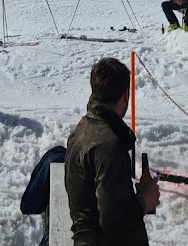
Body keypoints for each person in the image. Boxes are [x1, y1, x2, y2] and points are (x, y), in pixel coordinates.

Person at [65, 57, 159, 246]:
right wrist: (144, 201)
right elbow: (114, 222)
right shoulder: (109, 145)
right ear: (125, 95)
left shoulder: (83, 128)